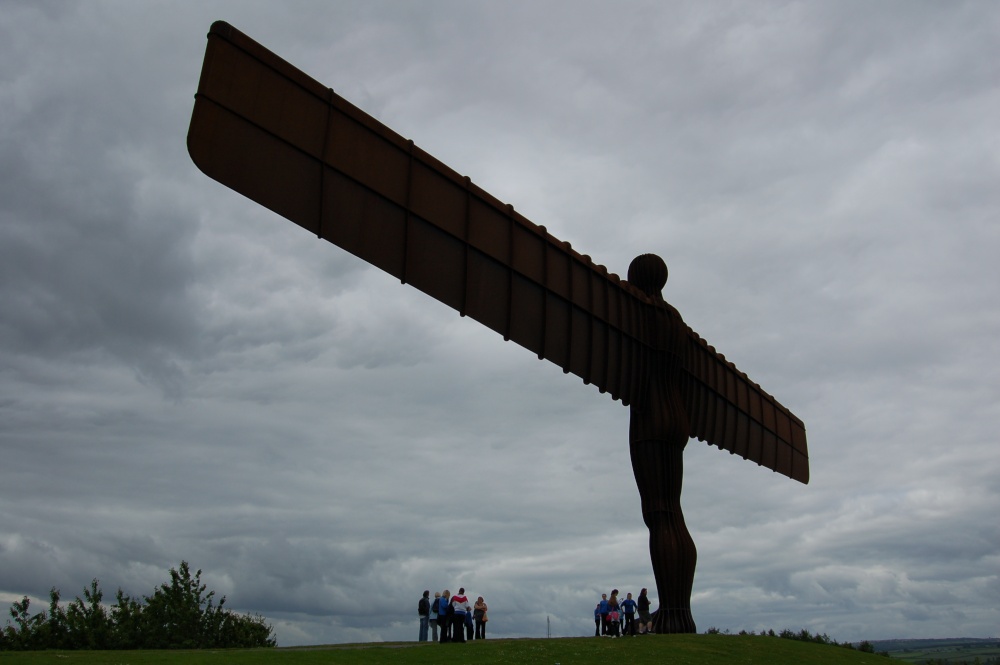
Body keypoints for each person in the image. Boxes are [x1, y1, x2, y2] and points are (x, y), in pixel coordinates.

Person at [627, 254, 698, 633]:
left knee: (658, 513)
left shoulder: (636, 309)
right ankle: (679, 611)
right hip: (677, 417)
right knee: (673, 512)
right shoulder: (677, 322)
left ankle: (672, 613)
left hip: (650, 416)